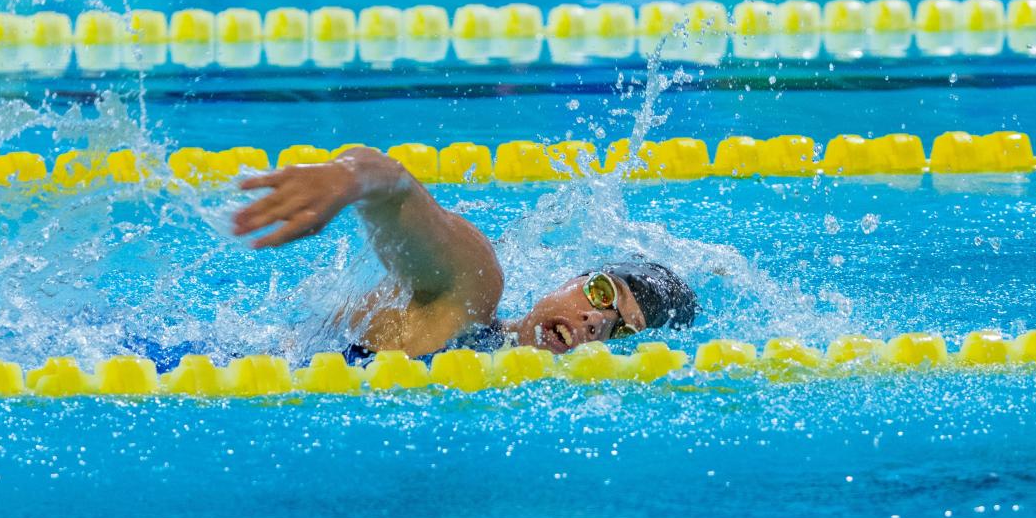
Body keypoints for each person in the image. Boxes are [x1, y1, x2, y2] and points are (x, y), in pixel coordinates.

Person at [232, 147, 697, 361]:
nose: (597, 321)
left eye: (618, 331)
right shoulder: (472, 292)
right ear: (569, 280)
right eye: (600, 293)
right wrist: (348, 178)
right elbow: (397, 189)